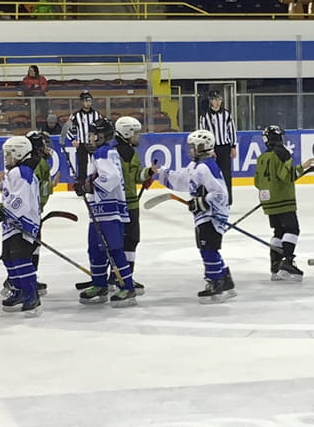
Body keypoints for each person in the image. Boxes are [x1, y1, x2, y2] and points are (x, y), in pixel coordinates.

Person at [156, 129, 237, 303]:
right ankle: (225, 281)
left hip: (213, 215)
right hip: (204, 215)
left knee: (208, 249)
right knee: (207, 248)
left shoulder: (206, 167)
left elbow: (221, 193)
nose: (190, 149)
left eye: (193, 146)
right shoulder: (196, 166)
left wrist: (201, 202)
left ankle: (216, 283)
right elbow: (181, 180)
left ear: (202, 147)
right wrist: (160, 173)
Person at [76, 117, 154, 294]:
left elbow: (112, 178)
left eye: (92, 135)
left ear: (101, 136)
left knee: (116, 246)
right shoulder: (105, 152)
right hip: (105, 208)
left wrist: (88, 185)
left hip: (111, 210)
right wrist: (86, 184)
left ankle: (124, 283)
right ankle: (103, 282)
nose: (90, 138)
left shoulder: (105, 152)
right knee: (98, 248)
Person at [0, 136, 42, 316]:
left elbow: (21, 199)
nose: (6, 157)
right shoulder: (14, 171)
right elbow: (10, 193)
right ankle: (18, 290)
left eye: (9, 154)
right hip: (12, 223)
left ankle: (31, 294)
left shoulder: (22, 171)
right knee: (8, 258)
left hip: (23, 223)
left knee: (20, 259)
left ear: (19, 152)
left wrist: (4, 210)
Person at [254, 125, 314, 281]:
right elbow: (286, 176)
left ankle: (275, 266)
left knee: (278, 232)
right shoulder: (282, 153)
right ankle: (287, 261)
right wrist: (302, 167)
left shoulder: (262, 157)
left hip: (268, 200)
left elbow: (257, 182)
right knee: (292, 229)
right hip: (283, 199)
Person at [2, 130, 58, 297]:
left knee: (18, 251)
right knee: (27, 250)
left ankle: (18, 281)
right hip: (27, 215)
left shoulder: (21, 166)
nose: (47, 148)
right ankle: (24, 282)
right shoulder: (37, 164)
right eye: (44, 144)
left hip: (20, 213)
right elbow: (36, 191)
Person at [198, 89, 237, 204]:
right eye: (215, 100)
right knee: (209, 175)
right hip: (211, 150)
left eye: (219, 99)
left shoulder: (226, 114)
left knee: (226, 175)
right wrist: (208, 149)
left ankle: (227, 200)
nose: (217, 102)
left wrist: (233, 146)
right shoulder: (204, 116)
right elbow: (202, 133)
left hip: (224, 148)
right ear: (211, 101)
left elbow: (232, 130)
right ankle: (208, 200)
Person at [66, 91, 102, 183]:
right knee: (82, 166)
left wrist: (97, 137)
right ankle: (82, 186)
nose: (88, 103)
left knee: (98, 164)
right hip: (81, 144)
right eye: (86, 101)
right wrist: (73, 140)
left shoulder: (97, 114)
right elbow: (66, 129)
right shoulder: (75, 115)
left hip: (94, 144)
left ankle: (99, 183)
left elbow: (102, 128)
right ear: (82, 102)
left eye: (89, 101)